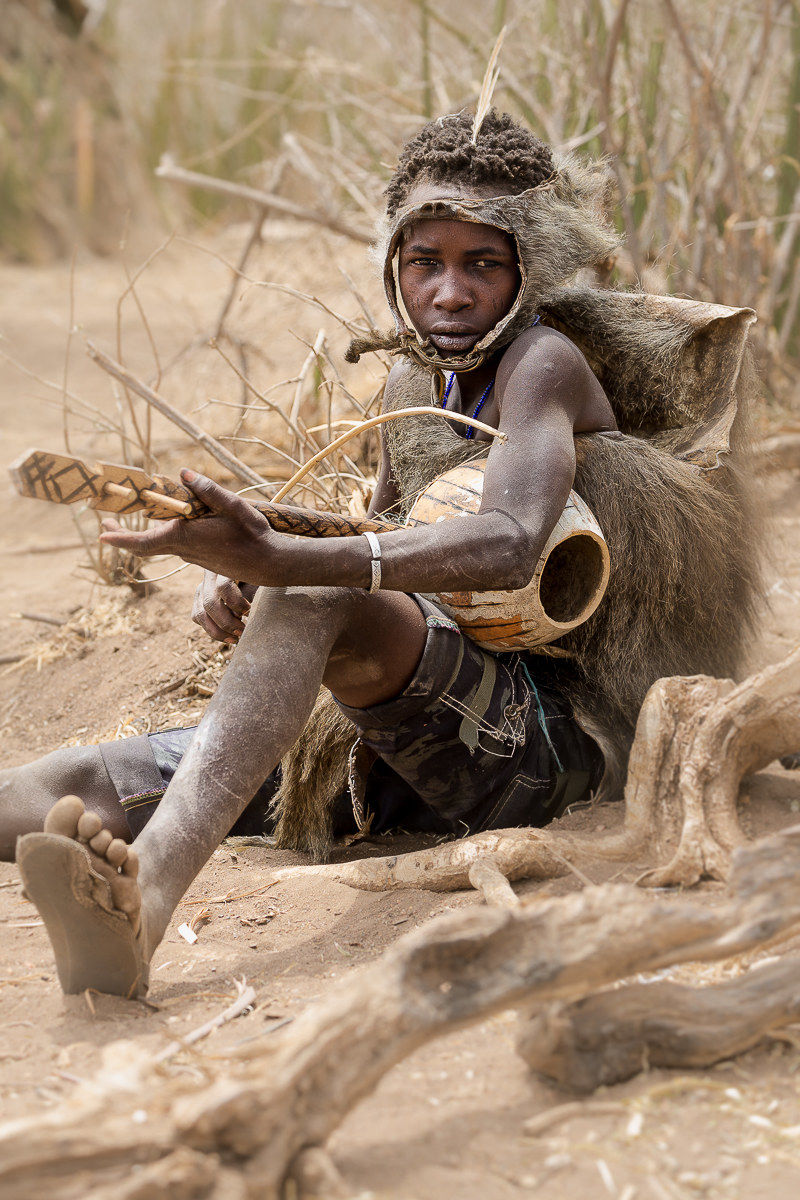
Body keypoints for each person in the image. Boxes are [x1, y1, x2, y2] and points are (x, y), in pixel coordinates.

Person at [9, 110, 759, 998]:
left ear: (529, 268)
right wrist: (248, 567)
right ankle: (112, 876)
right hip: (406, 734)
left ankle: (147, 903)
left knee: (315, 593)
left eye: (483, 264)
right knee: (68, 782)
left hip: (553, 749)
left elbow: (508, 542)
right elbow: (387, 544)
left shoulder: (542, 366)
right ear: (393, 263)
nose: (450, 292)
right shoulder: (413, 380)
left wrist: (287, 566)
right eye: (424, 262)